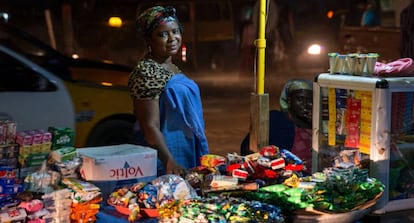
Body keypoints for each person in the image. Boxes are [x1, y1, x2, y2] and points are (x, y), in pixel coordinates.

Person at [129, 6, 209, 176]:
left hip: (185, 149)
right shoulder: (147, 72)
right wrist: (168, 160)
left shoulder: (171, 67)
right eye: (163, 34)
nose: (172, 38)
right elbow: (148, 125)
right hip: (165, 158)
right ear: (148, 40)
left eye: (175, 31)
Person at [241, 79, 313, 173]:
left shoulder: (316, 125)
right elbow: (246, 149)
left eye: (309, 101)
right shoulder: (276, 120)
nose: (305, 105)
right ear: (289, 101)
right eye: (300, 99)